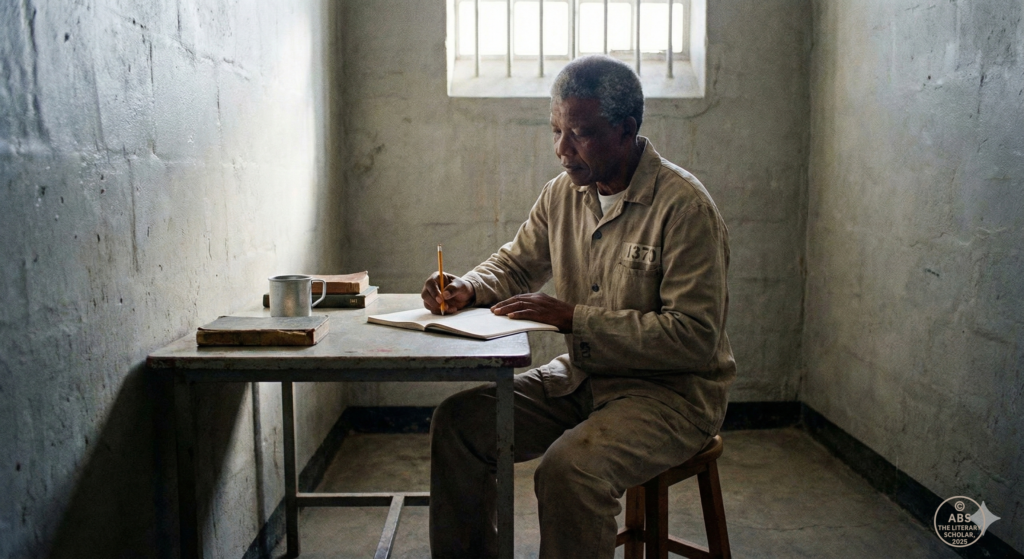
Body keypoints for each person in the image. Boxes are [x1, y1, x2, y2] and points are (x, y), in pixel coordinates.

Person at [421, 54, 735, 559]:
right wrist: (468, 286)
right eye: (555, 132)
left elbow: (693, 338)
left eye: (580, 134)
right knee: (459, 424)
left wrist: (573, 318)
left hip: (672, 397)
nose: (563, 151)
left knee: (571, 471)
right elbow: (517, 264)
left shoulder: (685, 209)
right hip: (585, 376)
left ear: (626, 129)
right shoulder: (564, 194)